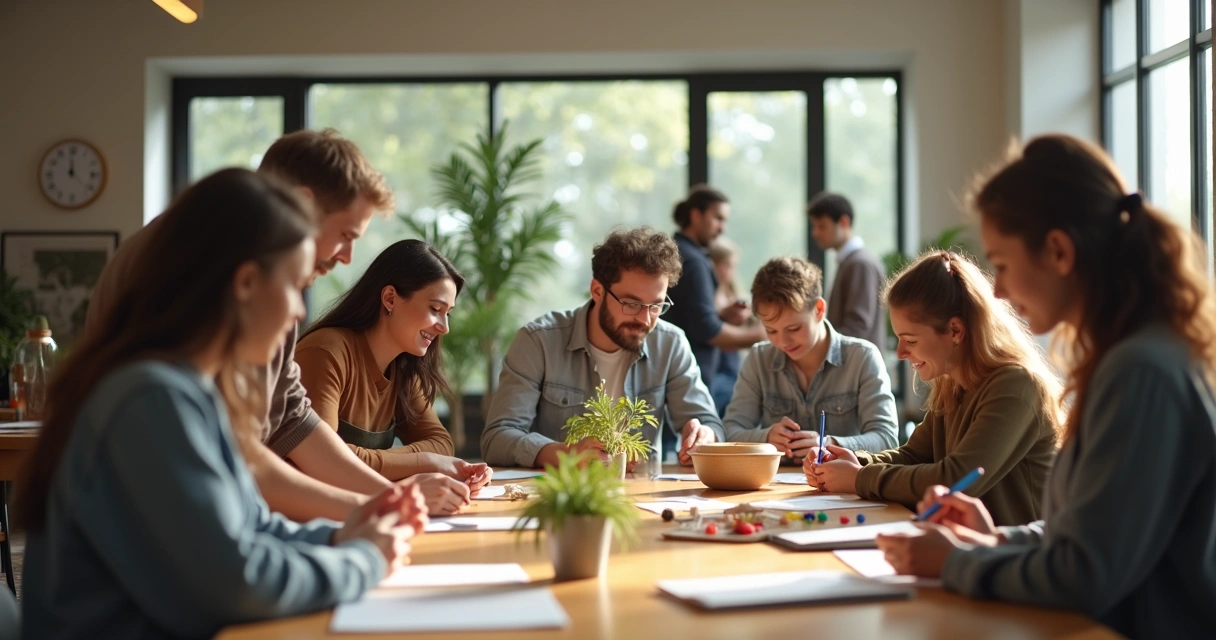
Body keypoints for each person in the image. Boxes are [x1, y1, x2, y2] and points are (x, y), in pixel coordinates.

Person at [20, 169, 426, 639]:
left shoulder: (187, 389)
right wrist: (365, 559)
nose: (299, 311)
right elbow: (238, 582)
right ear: (247, 283)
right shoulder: (151, 398)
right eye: (295, 286)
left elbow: (250, 527)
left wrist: (341, 534)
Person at [875, 135, 1216, 639]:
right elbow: (1087, 535)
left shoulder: (1139, 372)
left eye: (1004, 264)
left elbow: (1086, 576)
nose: (999, 291)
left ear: (1058, 251)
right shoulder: (1130, 357)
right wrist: (994, 542)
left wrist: (955, 563)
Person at [86, 129, 399, 522]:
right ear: (303, 206)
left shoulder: (269, 281)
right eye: (345, 235)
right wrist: (370, 507)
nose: (349, 257)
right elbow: (231, 453)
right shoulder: (198, 266)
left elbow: (288, 414)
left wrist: (387, 498)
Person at [806, 250, 1059, 526]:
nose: (901, 353)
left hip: (1014, 560)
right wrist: (852, 460)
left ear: (955, 331)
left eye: (910, 341)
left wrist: (858, 478)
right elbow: (913, 455)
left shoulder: (1016, 386)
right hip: (964, 549)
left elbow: (956, 479)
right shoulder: (953, 384)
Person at [481, 227, 723, 469]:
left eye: (656, 306)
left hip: (644, 495)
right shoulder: (538, 342)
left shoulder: (670, 343)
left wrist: (704, 436)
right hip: (563, 496)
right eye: (631, 304)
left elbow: (710, 424)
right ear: (597, 291)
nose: (645, 319)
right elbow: (497, 438)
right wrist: (567, 454)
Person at [296, 239, 490, 514]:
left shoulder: (403, 366)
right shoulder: (326, 352)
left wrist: (426, 463)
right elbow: (322, 462)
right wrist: (425, 462)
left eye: (448, 313)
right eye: (435, 309)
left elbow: (440, 443)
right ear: (390, 299)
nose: (444, 327)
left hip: (366, 515)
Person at [723, 257, 898, 463]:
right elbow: (729, 431)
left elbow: (887, 439)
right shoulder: (759, 358)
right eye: (771, 331)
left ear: (819, 310)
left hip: (843, 490)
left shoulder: (863, 357)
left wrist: (829, 444)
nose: (783, 341)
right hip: (776, 490)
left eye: (794, 329)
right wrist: (766, 438)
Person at [664, 186, 766, 410]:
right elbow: (706, 330)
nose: (722, 228)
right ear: (695, 215)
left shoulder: (681, 253)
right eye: (718, 218)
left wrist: (721, 315)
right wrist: (760, 335)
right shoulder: (693, 261)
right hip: (687, 381)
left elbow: (686, 318)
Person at [808, 192, 887, 350]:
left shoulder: (860, 264)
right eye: (814, 226)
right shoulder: (850, 262)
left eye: (822, 226)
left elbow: (857, 325)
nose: (815, 233)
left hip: (859, 369)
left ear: (844, 222)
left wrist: (819, 348)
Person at [707, 238, 750, 417]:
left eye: (732, 266)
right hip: (716, 365)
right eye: (725, 265)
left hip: (733, 363)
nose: (729, 271)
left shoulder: (731, 291)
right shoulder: (707, 293)